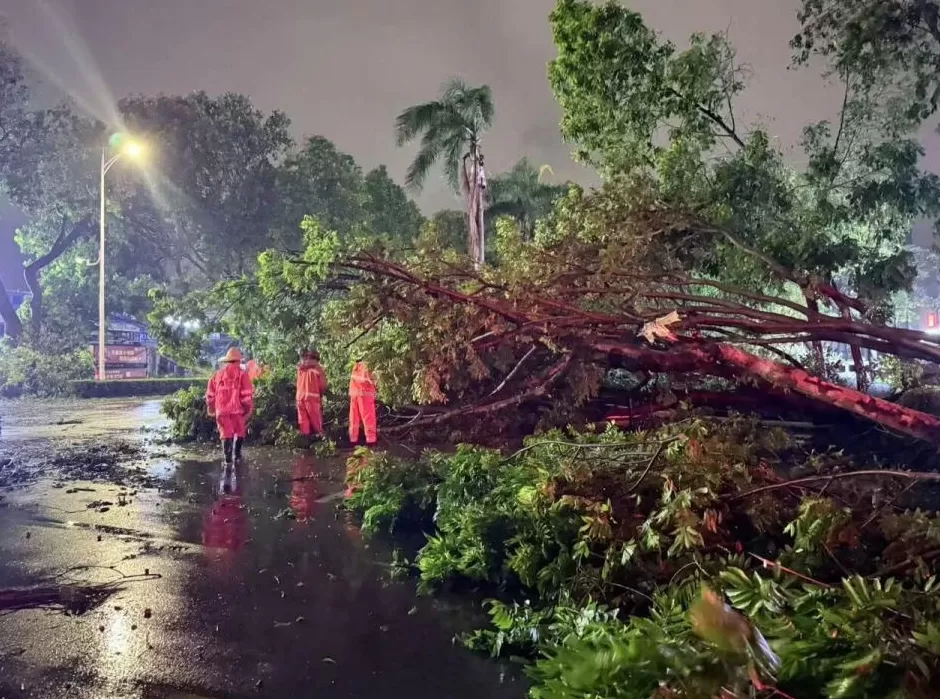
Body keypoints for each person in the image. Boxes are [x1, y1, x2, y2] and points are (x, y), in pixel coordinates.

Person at [206, 347, 255, 465]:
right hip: (237, 411)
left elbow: (210, 395)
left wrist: (211, 407)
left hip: (221, 411)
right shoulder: (242, 375)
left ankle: (227, 459)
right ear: (238, 361)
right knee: (240, 431)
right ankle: (237, 456)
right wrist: (248, 409)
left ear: (226, 361)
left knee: (225, 433)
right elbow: (246, 396)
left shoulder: (217, 375)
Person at [296, 349, 328, 438]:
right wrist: (321, 395)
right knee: (317, 424)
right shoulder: (317, 367)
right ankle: (323, 440)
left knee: (303, 423)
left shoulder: (300, 367)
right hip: (312, 398)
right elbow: (323, 385)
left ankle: (305, 442)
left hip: (299, 398)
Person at [348, 356, 377, 446]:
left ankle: (353, 440)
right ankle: (371, 441)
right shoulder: (368, 366)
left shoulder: (356, 366)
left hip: (354, 395)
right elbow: (374, 381)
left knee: (354, 418)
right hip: (365, 394)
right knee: (368, 418)